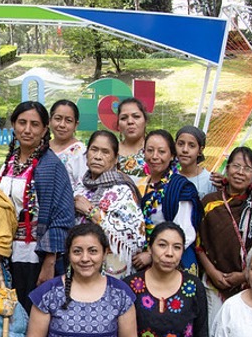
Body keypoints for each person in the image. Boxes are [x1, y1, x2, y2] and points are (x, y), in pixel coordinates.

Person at [0, 101, 74, 312]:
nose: (27, 130)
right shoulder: (10, 161)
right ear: (13, 125)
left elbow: (63, 218)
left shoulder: (51, 166)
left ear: (44, 129)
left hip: (35, 256)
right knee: (8, 310)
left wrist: (49, 263)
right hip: (6, 251)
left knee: (34, 311)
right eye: (22, 123)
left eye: (34, 124)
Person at [197, 146, 252, 324]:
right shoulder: (210, 203)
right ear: (227, 168)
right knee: (214, 333)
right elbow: (199, 244)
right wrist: (212, 271)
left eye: (247, 169)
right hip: (213, 283)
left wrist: (243, 275)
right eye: (236, 166)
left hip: (250, 285)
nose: (240, 173)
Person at [72, 129, 146, 278]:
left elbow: (135, 235)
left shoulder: (122, 190)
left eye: (105, 152)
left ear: (115, 158)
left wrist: (91, 211)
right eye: (94, 150)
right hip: (79, 263)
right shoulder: (79, 187)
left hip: (112, 267)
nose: (98, 156)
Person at [134, 129, 203, 275]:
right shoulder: (141, 185)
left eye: (161, 152)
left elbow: (186, 232)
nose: (155, 157)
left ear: (172, 155)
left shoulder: (179, 187)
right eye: (150, 150)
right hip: (144, 262)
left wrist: (153, 255)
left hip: (176, 262)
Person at [49, 99, 87, 186]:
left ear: (75, 125)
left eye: (68, 120)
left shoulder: (80, 151)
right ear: (50, 121)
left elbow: (82, 185)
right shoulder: (43, 147)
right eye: (58, 119)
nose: (62, 125)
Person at [175, 125, 216, 199]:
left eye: (191, 146)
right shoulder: (168, 176)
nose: (185, 150)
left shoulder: (210, 181)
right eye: (180, 144)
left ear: (200, 151)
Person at [116, 97, 149, 178]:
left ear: (145, 121)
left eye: (136, 116)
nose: (130, 122)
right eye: (124, 118)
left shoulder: (157, 151)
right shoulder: (112, 152)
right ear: (118, 124)